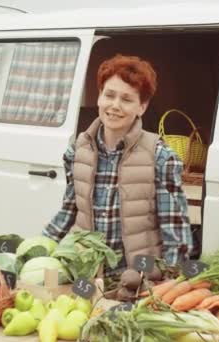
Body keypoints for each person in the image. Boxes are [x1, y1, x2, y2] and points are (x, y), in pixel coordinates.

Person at [42, 54, 194, 276]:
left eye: (127, 99)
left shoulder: (160, 156)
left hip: (138, 279)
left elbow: (174, 230)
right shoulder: (77, 152)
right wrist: (38, 249)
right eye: (109, 95)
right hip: (89, 274)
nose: (115, 105)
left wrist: (170, 279)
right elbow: (69, 211)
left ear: (142, 107)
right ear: (99, 98)